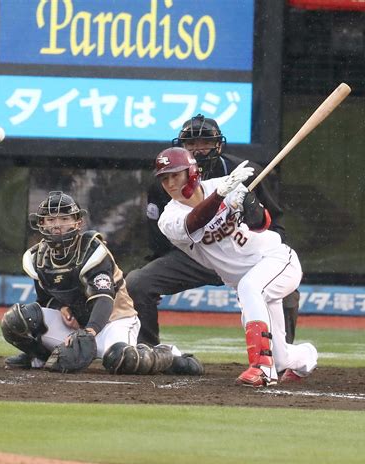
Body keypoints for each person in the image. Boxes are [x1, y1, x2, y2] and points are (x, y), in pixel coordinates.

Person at [126, 114, 299, 348]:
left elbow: (273, 221)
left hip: (243, 252)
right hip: (195, 256)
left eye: (205, 142)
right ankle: (147, 350)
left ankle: (282, 355)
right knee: (139, 283)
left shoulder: (245, 172)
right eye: (191, 144)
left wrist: (270, 246)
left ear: (219, 144)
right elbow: (158, 238)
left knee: (285, 292)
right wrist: (160, 265)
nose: (198, 149)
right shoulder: (164, 182)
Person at [154, 147, 317, 386]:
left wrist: (249, 204)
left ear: (191, 172)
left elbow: (262, 224)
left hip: (276, 260)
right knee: (281, 359)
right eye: (164, 178)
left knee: (250, 288)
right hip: (249, 280)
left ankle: (261, 368)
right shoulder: (169, 218)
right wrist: (221, 196)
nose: (169, 183)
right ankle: (306, 357)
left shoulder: (227, 186)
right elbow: (194, 222)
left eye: (175, 175)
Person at [1, 191, 203, 376]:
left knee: (124, 360)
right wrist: (61, 308)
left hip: (113, 320)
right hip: (75, 326)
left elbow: (104, 299)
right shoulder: (38, 256)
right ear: (41, 224)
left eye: (64, 219)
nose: (57, 225)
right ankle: (41, 355)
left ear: (78, 223)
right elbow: (44, 300)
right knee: (17, 319)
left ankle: (166, 355)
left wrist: (89, 331)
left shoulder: (92, 249)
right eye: (51, 219)